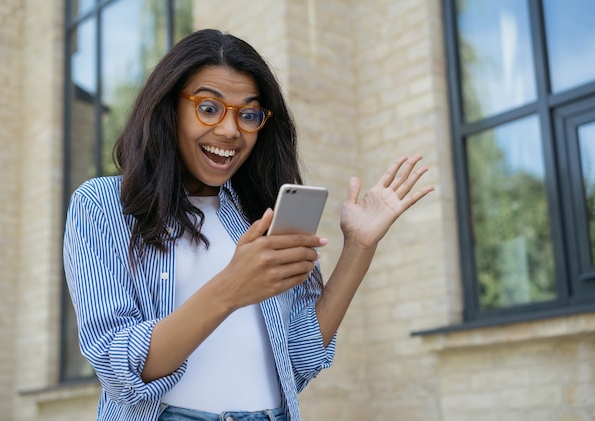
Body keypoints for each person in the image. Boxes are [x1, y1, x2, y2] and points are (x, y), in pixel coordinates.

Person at [63, 28, 434, 421]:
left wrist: (359, 247)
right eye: (209, 107)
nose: (230, 130)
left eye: (249, 114)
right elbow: (117, 367)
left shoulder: (260, 211)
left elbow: (299, 359)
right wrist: (231, 288)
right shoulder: (103, 204)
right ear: (169, 108)